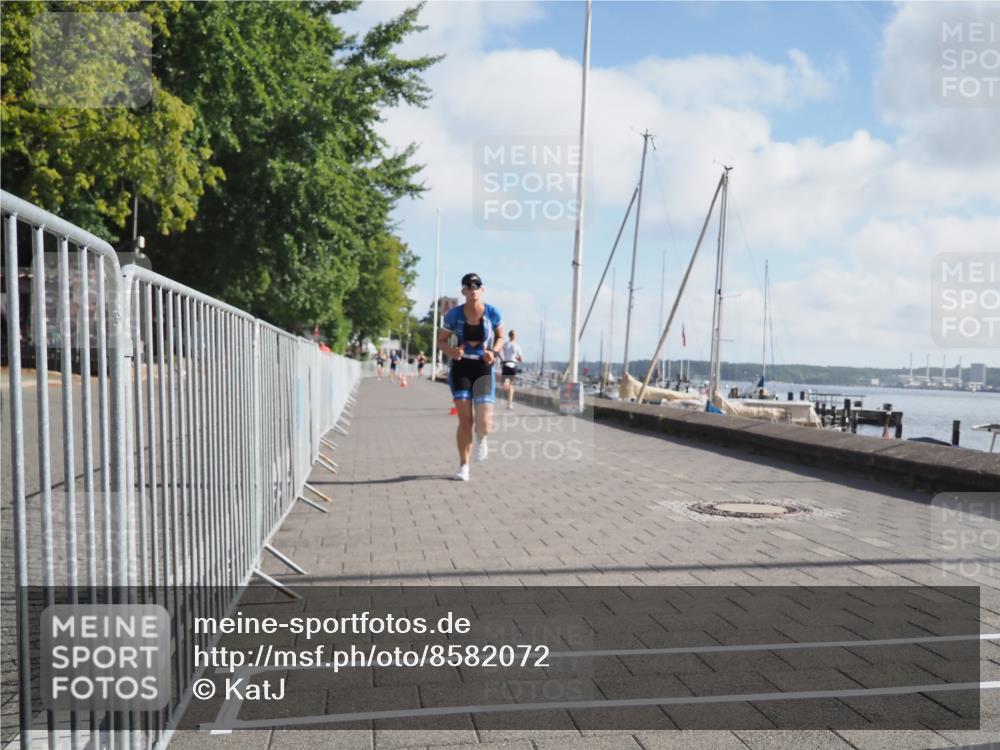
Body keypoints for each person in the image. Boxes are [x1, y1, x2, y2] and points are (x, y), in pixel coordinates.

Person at [438, 272, 504, 481]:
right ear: (464, 291)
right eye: (469, 285)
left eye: (476, 285)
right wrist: (451, 352)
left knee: (484, 422)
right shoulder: (454, 315)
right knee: (465, 420)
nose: (473, 288)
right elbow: (441, 341)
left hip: (483, 367)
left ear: (482, 289)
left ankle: (482, 439)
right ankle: (463, 465)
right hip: (461, 367)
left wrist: (493, 352)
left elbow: (501, 336)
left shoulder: (492, 312)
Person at [499, 329, 524, 409]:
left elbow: (499, 353)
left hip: (506, 364)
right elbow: (521, 359)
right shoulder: (517, 346)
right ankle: (509, 404)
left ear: (509, 336)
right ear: (514, 336)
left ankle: (507, 387)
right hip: (513, 365)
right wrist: (515, 357)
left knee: (504, 384)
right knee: (511, 385)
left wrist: (502, 360)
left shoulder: (505, 345)